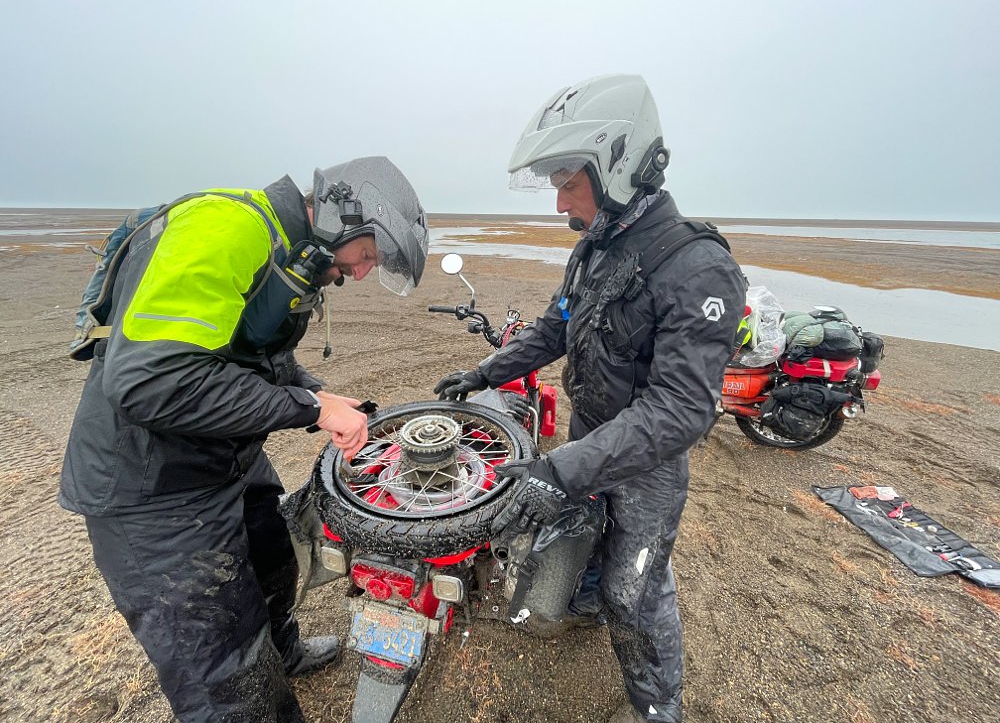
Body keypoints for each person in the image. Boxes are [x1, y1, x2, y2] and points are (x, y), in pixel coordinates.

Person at [60, 157, 429, 723]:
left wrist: (319, 396)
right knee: (223, 666)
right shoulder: (229, 228)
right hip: (151, 485)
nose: (359, 274)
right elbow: (151, 381)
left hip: (220, 456)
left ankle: (283, 653)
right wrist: (311, 408)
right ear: (348, 215)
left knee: (272, 556)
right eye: (367, 256)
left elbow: (251, 358)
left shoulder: (288, 250)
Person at [435, 75, 746, 723]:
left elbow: (680, 409)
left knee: (638, 589)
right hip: (589, 430)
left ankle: (657, 708)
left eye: (568, 184)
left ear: (619, 169)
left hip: (646, 462)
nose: (559, 204)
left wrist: (561, 469)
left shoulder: (696, 267)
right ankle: (585, 602)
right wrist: (485, 373)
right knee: (584, 537)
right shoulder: (593, 252)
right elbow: (556, 327)